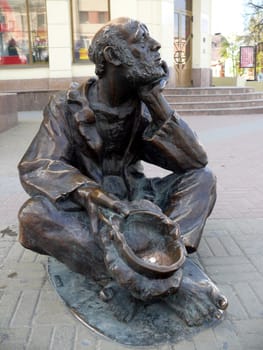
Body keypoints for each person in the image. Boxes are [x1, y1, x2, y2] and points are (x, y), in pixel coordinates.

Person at [18, 17, 227, 324]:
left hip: (138, 199)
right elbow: (39, 165)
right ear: (113, 57)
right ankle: (167, 282)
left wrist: (156, 100)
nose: (156, 47)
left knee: (203, 180)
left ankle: (162, 264)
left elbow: (194, 162)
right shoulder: (65, 105)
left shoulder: (143, 106)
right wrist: (89, 192)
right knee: (33, 216)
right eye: (143, 41)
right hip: (88, 207)